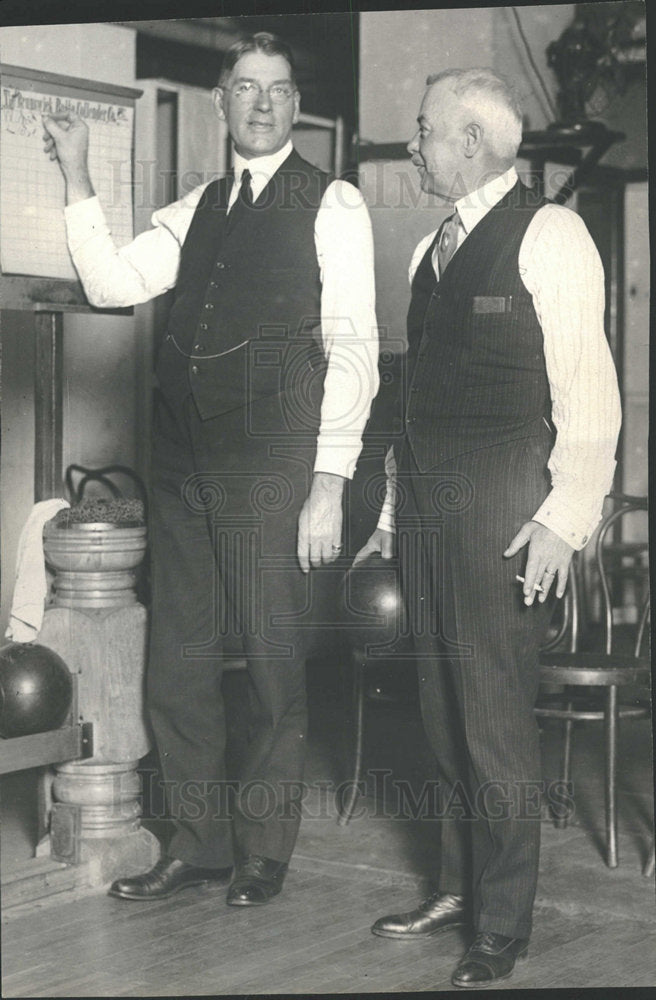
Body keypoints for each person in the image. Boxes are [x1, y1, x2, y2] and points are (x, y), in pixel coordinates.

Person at [43, 32, 378, 907]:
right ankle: (200, 843)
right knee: (179, 664)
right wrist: (76, 176)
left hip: (275, 464)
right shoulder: (196, 208)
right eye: (245, 88)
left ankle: (264, 850)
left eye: (278, 89)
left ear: (295, 106)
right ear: (221, 103)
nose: (262, 104)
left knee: (271, 664)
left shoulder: (332, 203)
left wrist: (329, 481)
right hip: (185, 463)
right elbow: (113, 285)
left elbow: (355, 350)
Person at [355, 68, 620, 987]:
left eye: (425, 130)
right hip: (428, 515)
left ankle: (502, 923)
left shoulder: (554, 234)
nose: (414, 145)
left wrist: (564, 521)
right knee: (439, 715)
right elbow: (415, 392)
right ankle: (460, 886)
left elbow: (591, 396)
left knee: (495, 722)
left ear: (470, 141)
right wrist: (393, 510)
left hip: (506, 518)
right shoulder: (434, 245)